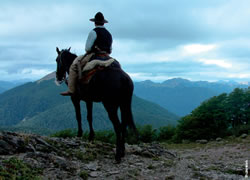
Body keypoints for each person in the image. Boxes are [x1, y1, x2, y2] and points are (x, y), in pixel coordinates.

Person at [60, 12, 113, 96]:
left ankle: (71, 90)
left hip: (95, 55)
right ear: (103, 23)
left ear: (95, 22)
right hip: (107, 56)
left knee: (73, 66)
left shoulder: (93, 32)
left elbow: (87, 48)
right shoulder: (108, 33)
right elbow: (110, 49)